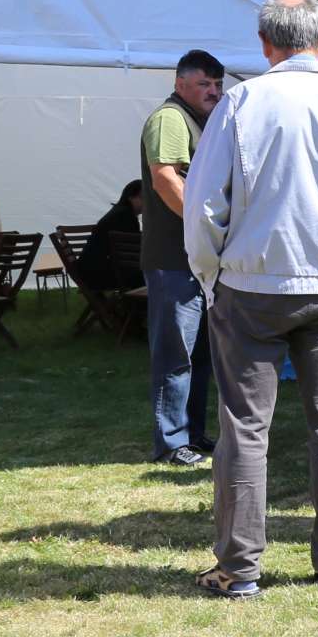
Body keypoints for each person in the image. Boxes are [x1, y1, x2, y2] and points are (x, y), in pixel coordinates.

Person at [183, 0, 318, 597]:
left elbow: (203, 207)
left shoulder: (241, 103)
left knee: (245, 427)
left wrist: (209, 275)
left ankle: (239, 567)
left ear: (265, 45)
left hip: (251, 284)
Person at [141, 48, 226, 467]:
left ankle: (191, 433)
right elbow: (164, 178)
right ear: (180, 84)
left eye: (217, 84)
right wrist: (202, 227)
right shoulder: (170, 118)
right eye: (204, 84)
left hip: (198, 260)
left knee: (200, 355)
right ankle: (171, 442)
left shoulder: (201, 120)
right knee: (176, 354)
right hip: (174, 258)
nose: (213, 92)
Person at [78, 180, 147, 291]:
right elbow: (135, 251)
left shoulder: (120, 212)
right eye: (143, 198)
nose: (147, 202)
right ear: (130, 197)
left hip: (90, 270)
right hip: (98, 274)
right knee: (154, 273)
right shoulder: (125, 216)